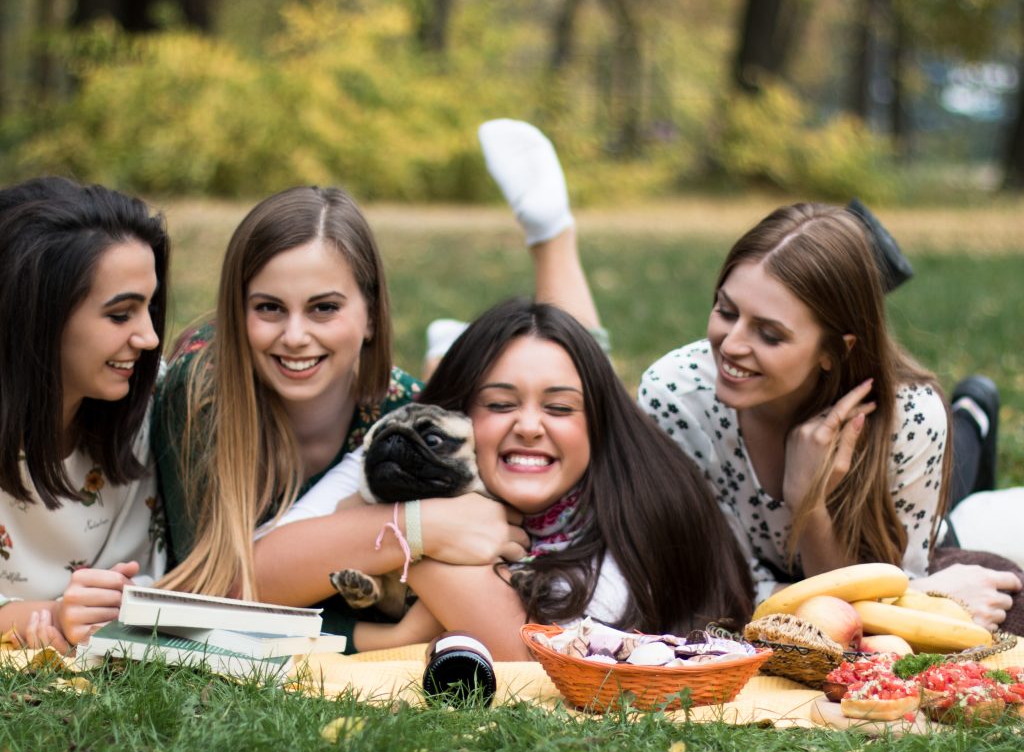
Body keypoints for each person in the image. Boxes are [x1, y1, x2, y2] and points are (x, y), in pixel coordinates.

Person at [153, 121, 595, 635]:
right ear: (236, 311)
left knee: (572, 382)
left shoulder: (398, 413)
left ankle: (551, 239)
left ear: (370, 316)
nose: (295, 336)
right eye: (269, 308)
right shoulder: (202, 390)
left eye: (324, 308)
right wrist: (414, 530)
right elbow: (209, 594)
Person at [258, 298, 755, 658]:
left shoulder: (635, 508)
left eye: (560, 408)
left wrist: (412, 546)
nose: (530, 426)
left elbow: (528, 659)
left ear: (597, 424)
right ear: (457, 412)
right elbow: (245, 579)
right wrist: (421, 521)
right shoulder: (418, 447)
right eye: (499, 404)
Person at [638, 202, 1021, 631]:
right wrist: (903, 601)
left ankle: (972, 411)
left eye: (769, 334)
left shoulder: (911, 418)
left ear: (834, 350)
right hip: (821, 581)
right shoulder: (677, 396)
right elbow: (709, 587)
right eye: (726, 311)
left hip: (902, 498)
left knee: (956, 496)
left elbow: (896, 585)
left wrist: (810, 504)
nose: (729, 345)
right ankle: (970, 412)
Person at [0, 176, 168, 651]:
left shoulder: (154, 401)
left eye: (149, 308)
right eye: (121, 315)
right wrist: (48, 615)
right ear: (35, 316)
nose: (150, 337)